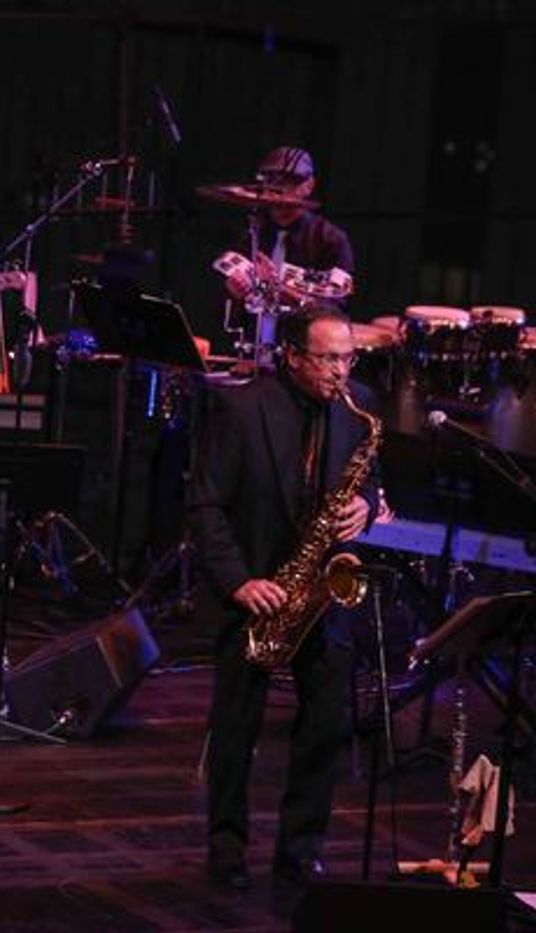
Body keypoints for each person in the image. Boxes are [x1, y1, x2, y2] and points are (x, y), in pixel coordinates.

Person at [187, 304, 379, 890]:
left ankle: (301, 849)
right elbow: (204, 505)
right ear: (292, 356)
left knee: (325, 727)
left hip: (321, 592)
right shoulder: (240, 408)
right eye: (328, 359)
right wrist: (239, 581)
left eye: (348, 358)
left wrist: (366, 505)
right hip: (254, 591)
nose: (340, 372)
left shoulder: (358, 409)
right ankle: (226, 849)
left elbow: (370, 481)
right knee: (236, 729)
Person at [223, 146, 355, 309]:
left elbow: (335, 309)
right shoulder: (253, 231)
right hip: (254, 324)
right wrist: (235, 289)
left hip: (302, 325)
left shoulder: (330, 239)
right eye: (270, 181)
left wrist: (281, 292)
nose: (277, 190)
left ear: (309, 185)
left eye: (288, 182)